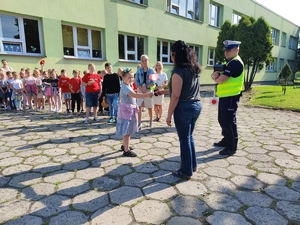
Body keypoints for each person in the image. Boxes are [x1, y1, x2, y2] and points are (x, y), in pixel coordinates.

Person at [155, 40, 202, 179]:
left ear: (175, 54)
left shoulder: (178, 71)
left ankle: (186, 170)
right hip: (196, 106)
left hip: (184, 109)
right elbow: (180, 89)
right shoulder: (193, 69)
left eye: (171, 54)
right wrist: (162, 92)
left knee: (184, 139)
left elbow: (176, 95)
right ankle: (192, 164)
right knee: (189, 137)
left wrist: (168, 115)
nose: (170, 56)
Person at [211, 40, 244, 156]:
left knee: (229, 121)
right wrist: (216, 76)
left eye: (229, 50)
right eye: (226, 50)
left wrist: (215, 77)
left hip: (231, 97)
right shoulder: (230, 62)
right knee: (222, 119)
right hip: (226, 96)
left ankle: (232, 147)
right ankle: (226, 140)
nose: (227, 52)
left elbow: (221, 80)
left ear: (237, 49)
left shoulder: (235, 63)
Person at [116, 67, 154, 157]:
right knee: (127, 132)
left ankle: (125, 145)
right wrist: (147, 95)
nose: (131, 79)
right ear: (123, 78)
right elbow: (134, 95)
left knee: (126, 130)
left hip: (128, 111)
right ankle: (126, 151)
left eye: (132, 77)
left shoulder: (128, 86)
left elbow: (134, 93)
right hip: (126, 112)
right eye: (129, 77)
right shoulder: (125, 87)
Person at [135, 55, 155, 129]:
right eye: (143, 61)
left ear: (148, 61)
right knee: (139, 106)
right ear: (141, 62)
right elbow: (136, 81)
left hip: (148, 90)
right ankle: (139, 123)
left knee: (149, 107)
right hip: (140, 90)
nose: (144, 62)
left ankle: (151, 121)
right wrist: (141, 88)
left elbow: (154, 82)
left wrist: (146, 87)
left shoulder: (152, 71)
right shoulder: (139, 70)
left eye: (145, 60)